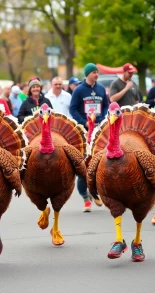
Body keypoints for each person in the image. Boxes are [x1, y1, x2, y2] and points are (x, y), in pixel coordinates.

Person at [70, 63, 109, 211]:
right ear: (87, 74)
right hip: (84, 131)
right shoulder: (79, 90)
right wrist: (84, 122)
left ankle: (95, 191)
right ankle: (86, 198)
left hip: (99, 130)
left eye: (97, 72)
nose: (96, 75)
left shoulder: (100, 89)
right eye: (94, 72)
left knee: (99, 162)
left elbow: (106, 105)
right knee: (84, 164)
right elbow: (73, 109)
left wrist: (103, 118)